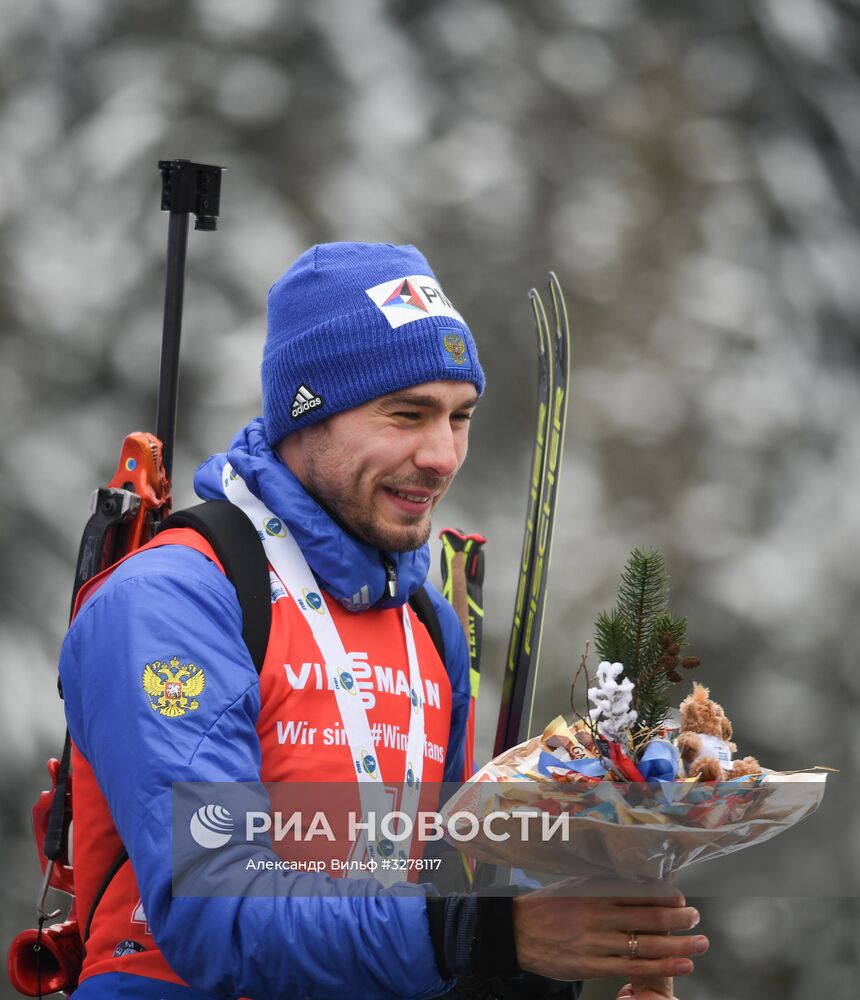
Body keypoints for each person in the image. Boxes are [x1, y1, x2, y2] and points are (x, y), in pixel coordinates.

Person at [58, 242, 707, 999]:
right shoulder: (174, 599)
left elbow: (441, 877)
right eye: (407, 415)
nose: (441, 455)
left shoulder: (428, 621)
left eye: (459, 418)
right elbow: (218, 908)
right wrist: (484, 934)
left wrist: (549, 946)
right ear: (308, 414)